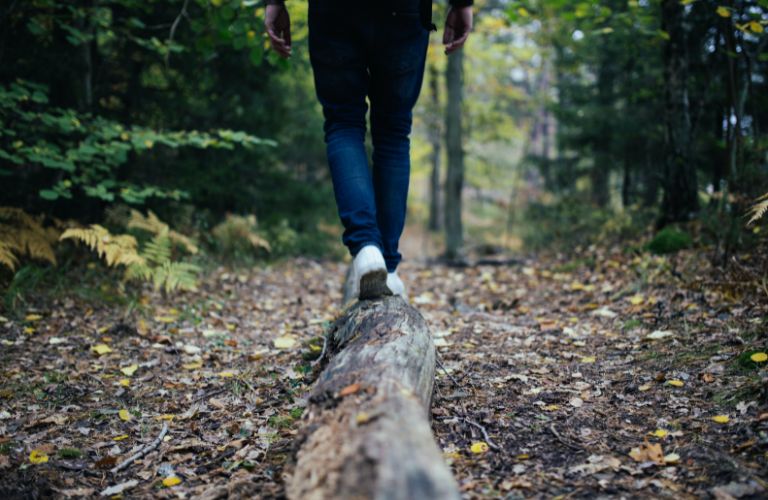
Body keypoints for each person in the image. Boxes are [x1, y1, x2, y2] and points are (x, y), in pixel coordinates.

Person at [265, 0, 473, 300]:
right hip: (405, 11)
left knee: (343, 123)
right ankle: (387, 266)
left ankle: (366, 249)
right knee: (393, 133)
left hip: (334, 12)